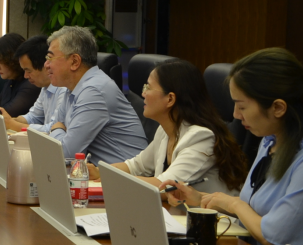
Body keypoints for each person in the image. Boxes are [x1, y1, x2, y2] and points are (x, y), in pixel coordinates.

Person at [167, 48, 303, 245]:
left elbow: (273, 237)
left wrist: (233, 204)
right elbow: (254, 211)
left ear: (278, 107)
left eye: (242, 106)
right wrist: (201, 199)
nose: (236, 115)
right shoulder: (269, 141)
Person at [85, 59, 247, 198]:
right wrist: (100, 172)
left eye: (148, 88)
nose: (143, 94)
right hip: (177, 215)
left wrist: (109, 179)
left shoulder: (201, 137)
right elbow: (136, 166)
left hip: (217, 222)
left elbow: (163, 187)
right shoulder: (165, 131)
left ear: (170, 99)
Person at [44, 25, 146, 163]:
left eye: (50, 58)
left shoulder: (94, 91)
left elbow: (66, 154)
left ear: (74, 62)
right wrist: (58, 129)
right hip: (95, 171)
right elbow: (58, 126)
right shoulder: (72, 88)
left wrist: (55, 130)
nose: (46, 65)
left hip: (125, 174)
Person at [2, 35, 70, 134]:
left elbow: (53, 129)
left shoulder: (64, 89)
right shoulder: (45, 87)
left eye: (28, 71)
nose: (25, 76)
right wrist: (11, 121)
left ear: (46, 65)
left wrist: (13, 125)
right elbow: (33, 117)